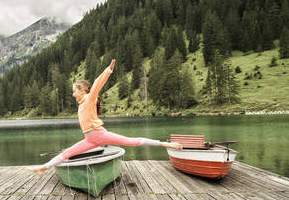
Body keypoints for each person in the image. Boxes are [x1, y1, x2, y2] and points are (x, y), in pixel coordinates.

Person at [26, 59, 183, 177]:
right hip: (89, 140)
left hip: (99, 134)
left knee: (132, 141)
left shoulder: (89, 98)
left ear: (83, 91)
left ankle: (165, 144)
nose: (73, 94)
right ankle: (43, 168)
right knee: (67, 153)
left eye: (75, 91)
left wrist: (108, 70)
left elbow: (96, 84)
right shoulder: (81, 104)